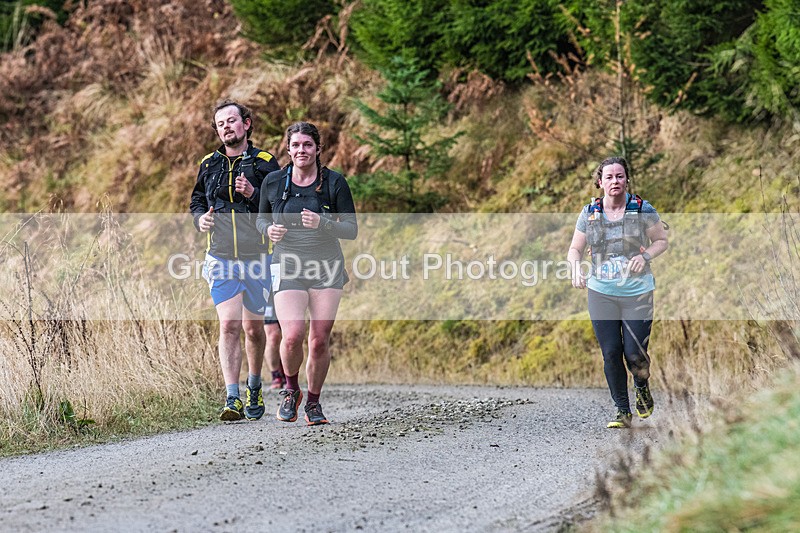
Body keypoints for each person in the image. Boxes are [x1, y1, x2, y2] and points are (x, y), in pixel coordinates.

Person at [256, 121, 357, 426]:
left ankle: (313, 402)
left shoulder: (335, 183)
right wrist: (268, 229)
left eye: (307, 145)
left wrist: (323, 223)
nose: (302, 150)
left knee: (318, 341)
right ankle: (290, 390)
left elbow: (351, 229)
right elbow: (260, 219)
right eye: (296, 145)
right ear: (288, 149)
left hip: (326, 267)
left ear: (317, 149)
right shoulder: (273, 182)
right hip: (288, 264)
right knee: (292, 336)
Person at [189, 99, 280, 421]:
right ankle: (232, 397)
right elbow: (197, 200)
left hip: (257, 257)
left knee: (254, 330)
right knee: (228, 324)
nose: (226, 127)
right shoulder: (208, 164)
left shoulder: (266, 162)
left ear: (247, 124)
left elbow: (278, 206)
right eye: (220, 123)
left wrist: (253, 194)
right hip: (221, 256)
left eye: (231, 121)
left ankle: (254, 385)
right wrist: (200, 219)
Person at [567, 156, 669, 428]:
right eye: (609, 177)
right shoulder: (589, 213)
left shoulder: (642, 209)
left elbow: (661, 241)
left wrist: (645, 257)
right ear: (600, 182)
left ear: (626, 180)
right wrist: (576, 268)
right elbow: (575, 249)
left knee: (635, 353)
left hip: (638, 291)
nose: (615, 181)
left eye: (620, 176)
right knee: (611, 352)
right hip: (601, 291)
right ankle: (622, 412)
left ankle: (642, 386)